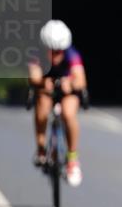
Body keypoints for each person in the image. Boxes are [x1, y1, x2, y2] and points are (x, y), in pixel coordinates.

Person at [28, 20, 87, 187]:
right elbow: (33, 76)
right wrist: (42, 82)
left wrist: (71, 84)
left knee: (68, 114)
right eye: (51, 51)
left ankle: (72, 158)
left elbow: (81, 79)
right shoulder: (36, 54)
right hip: (47, 88)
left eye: (59, 51)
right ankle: (41, 149)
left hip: (67, 90)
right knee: (42, 107)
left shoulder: (71, 54)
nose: (55, 56)